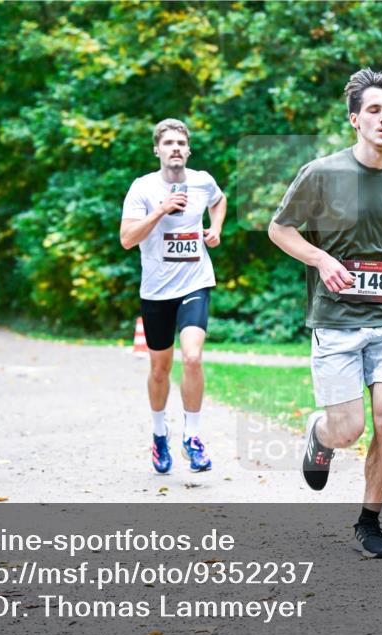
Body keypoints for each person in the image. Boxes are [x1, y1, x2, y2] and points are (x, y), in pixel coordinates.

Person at [268, 68, 382, 558]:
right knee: (348, 429)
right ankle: (320, 434)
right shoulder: (322, 174)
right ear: (355, 119)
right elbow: (280, 229)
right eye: (374, 110)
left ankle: (370, 522)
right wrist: (322, 259)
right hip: (336, 320)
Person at [120, 118, 227, 474]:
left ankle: (192, 439)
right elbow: (127, 238)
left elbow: (220, 199)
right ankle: (159, 435)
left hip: (195, 281)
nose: (176, 148)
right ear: (157, 150)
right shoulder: (143, 188)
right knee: (159, 368)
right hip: (156, 291)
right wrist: (161, 210)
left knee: (193, 357)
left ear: (189, 149)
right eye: (168, 143)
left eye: (181, 143)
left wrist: (216, 228)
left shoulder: (202, 181)